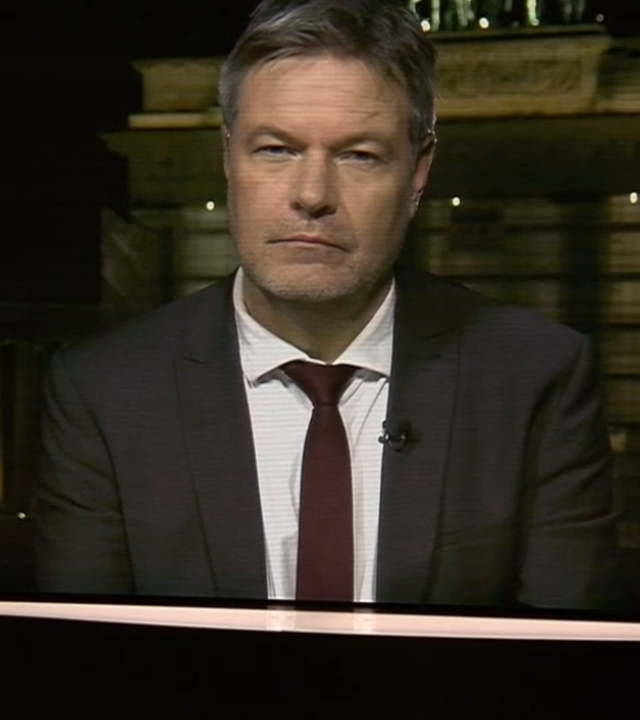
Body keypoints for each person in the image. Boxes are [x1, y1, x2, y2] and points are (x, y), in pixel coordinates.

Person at [34, 0, 625, 608]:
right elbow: (82, 653)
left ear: (418, 173)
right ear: (227, 157)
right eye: (276, 150)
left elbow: (565, 655)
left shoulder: (537, 378)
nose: (313, 195)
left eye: (358, 155)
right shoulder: (103, 391)